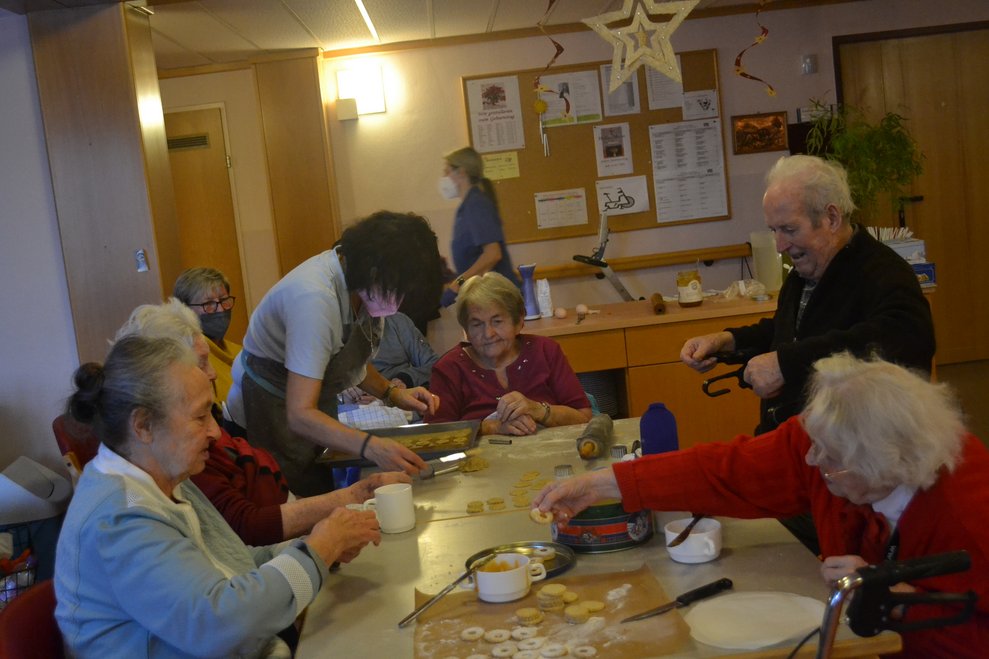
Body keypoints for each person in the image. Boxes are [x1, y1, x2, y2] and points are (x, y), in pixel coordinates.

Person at [534, 353, 989, 658]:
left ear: (882, 468)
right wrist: (604, 485)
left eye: (826, 457)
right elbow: (724, 471)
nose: (810, 460)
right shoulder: (831, 436)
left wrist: (899, 605)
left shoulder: (968, 513)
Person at [55, 335, 381, 658]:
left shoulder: (163, 477)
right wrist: (320, 550)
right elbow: (221, 625)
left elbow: (233, 564)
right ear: (143, 426)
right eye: (200, 417)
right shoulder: (119, 518)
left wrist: (319, 549)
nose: (214, 432)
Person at [116, 298, 410, 546]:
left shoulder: (197, 433)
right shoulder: (177, 454)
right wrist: (352, 498)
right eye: (200, 363)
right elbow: (244, 530)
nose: (213, 373)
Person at [680, 154, 935, 434]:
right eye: (774, 230)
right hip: (791, 439)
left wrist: (786, 364)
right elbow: (789, 331)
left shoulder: (882, 272)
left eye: (789, 229)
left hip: (849, 452)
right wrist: (728, 341)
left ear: (832, 218)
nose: (779, 245)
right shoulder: (804, 272)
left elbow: (906, 337)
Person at [225, 211, 442, 496]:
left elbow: (351, 361)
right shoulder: (314, 299)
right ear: (375, 271)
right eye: (398, 291)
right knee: (295, 506)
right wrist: (371, 446)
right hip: (268, 413)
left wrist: (393, 394)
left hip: (303, 408)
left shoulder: (357, 283)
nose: (400, 303)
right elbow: (300, 414)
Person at [427, 272, 591, 436]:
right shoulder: (449, 369)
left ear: (519, 322)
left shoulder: (545, 350)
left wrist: (538, 410)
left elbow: (583, 417)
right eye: (476, 324)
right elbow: (434, 434)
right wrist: (492, 427)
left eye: (497, 322)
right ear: (466, 331)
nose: (488, 333)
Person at [439, 146, 520, 307]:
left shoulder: (476, 204)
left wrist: (458, 283)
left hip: (498, 299)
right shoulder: (467, 206)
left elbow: (492, 254)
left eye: (447, 171)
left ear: (461, 172)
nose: (443, 177)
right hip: (486, 297)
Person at [173, 267, 242, 403]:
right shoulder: (190, 360)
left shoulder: (239, 350)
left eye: (224, 300)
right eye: (209, 303)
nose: (221, 309)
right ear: (185, 310)